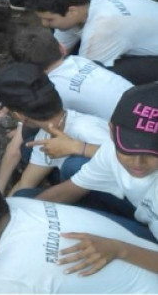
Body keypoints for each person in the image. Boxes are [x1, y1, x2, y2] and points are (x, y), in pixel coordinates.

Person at [0, 168, 158, 293]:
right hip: (146, 257)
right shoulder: (15, 206)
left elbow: (5, 278)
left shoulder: (9, 283)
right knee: (29, 192)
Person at [0, 28, 133, 192]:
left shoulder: (79, 121)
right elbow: (25, 184)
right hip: (139, 111)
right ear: (62, 48)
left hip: (130, 148)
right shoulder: (78, 61)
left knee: (43, 154)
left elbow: (14, 151)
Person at [37, 83, 158, 246]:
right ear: (111, 131)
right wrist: (20, 215)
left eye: (153, 152)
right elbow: (68, 190)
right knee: (29, 197)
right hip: (145, 213)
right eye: (127, 148)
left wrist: (121, 250)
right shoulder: (110, 150)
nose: (138, 162)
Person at [0, 63, 110, 196]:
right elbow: (25, 184)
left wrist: (78, 148)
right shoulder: (46, 136)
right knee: (22, 195)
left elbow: (124, 158)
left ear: (20, 116)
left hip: (122, 196)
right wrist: (2, 203)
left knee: (73, 166)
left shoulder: (84, 128)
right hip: (95, 188)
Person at [24, 0, 158, 85]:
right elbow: (57, 52)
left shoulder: (102, 29)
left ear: (72, 11)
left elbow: (83, 76)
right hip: (137, 37)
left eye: (49, 19)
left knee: (102, 77)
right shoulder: (83, 9)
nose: (44, 24)